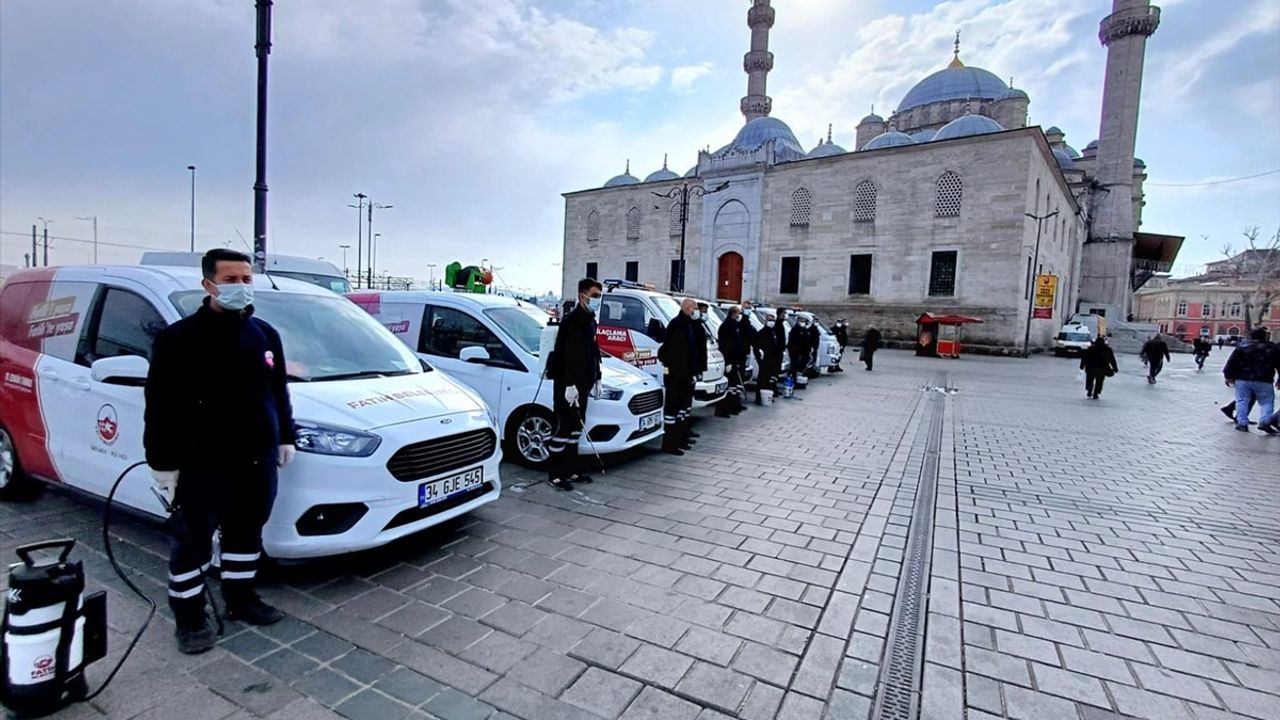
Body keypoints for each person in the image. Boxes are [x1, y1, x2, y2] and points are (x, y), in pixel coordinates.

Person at [144, 249, 295, 655]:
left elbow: (278, 391)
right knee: (193, 542)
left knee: (247, 532)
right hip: (203, 463)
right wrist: (162, 463)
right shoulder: (179, 339)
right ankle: (189, 616)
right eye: (230, 280)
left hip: (257, 460)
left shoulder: (264, 334)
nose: (241, 286)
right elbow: (159, 406)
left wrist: (286, 436)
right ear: (208, 285)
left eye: (246, 278)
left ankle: (241, 598)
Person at [544, 278, 604, 490]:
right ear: (582, 296)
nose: (598, 300)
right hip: (568, 385)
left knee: (576, 430)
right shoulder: (571, 321)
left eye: (599, 296)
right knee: (563, 430)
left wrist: (597, 377)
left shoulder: (590, 321)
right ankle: (555, 475)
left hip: (584, 384)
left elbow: (594, 352)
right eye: (595, 296)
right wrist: (569, 384)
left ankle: (571, 470)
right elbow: (565, 354)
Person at [659, 299, 699, 454]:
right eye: (695, 308)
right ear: (687, 308)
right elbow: (675, 353)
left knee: (681, 410)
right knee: (673, 410)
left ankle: (679, 439)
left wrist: (692, 372)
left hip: (685, 375)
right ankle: (670, 444)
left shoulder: (687, 324)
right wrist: (682, 374)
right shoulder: (677, 324)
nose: (696, 311)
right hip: (676, 376)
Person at [1223, 328, 1280, 434]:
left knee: (1242, 400)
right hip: (1264, 378)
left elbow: (1231, 362)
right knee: (1266, 401)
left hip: (1243, 378)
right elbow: (1279, 364)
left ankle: (1242, 424)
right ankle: (1264, 422)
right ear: (1265, 336)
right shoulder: (1271, 348)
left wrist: (1228, 376)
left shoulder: (1242, 346)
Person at [717, 306, 750, 417]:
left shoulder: (735, 325)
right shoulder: (726, 326)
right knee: (729, 386)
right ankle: (723, 409)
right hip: (729, 360)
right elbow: (725, 346)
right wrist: (728, 361)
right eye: (738, 313)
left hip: (736, 359)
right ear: (733, 313)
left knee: (734, 386)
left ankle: (733, 405)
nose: (740, 315)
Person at [754, 312, 781, 405]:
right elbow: (756, 346)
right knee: (762, 380)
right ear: (765, 321)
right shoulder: (761, 333)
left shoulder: (773, 333)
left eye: (773, 320)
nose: (771, 322)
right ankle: (759, 398)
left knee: (770, 380)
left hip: (772, 360)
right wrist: (760, 357)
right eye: (769, 320)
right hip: (764, 361)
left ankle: (768, 396)